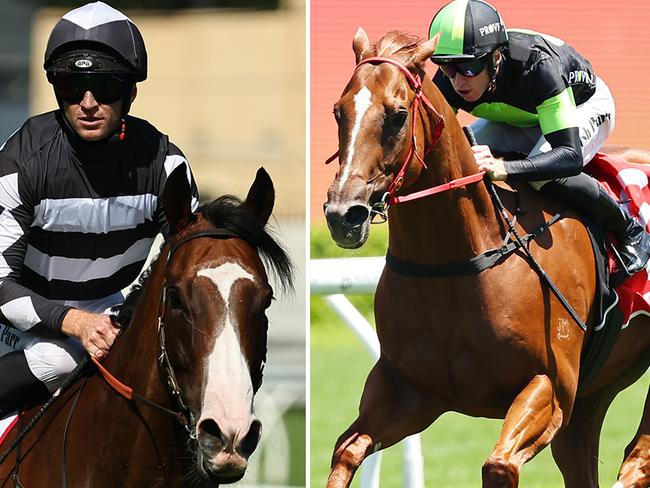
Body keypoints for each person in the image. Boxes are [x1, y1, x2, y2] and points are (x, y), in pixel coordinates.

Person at [0, 1, 198, 415]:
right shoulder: (21, 161)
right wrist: (74, 322)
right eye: (72, 86)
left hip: (107, 315)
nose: (88, 102)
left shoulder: (165, 166)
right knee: (60, 357)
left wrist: (125, 314)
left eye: (105, 87)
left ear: (131, 92)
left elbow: (191, 261)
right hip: (16, 321)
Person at [427, 0, 650, 282]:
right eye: (447, 68)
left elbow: (568, 157)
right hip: (523, 115)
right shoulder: (452, 78)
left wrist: (505, 168)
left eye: (469, 68)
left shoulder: (538, 67)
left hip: (582, 105)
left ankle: (630, 229)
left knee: (542, 178)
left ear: (495, 57)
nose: (458, 81)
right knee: (462, 163)